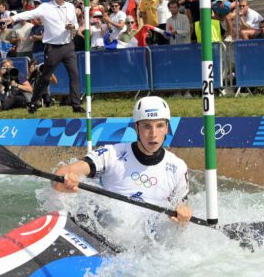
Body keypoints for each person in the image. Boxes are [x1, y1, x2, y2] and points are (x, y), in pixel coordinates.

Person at [53, 96, 191, 225]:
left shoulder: (178, 167)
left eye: (160, 125)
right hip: (105, 232)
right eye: (147, 126)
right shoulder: (111, 154)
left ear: (167, 128)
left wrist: (183, 216)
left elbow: (181, 213)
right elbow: (61, 173)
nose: (153, 134)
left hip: (149, 242)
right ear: (137, 127)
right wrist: (66, 181)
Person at [4, 0, 84, 113]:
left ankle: (75, 105)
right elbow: (30, 14)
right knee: (45, 77)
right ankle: (34, 103)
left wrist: (72, 27)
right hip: (53, 48)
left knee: (74, 75)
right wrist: (14, 18)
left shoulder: (70, 6)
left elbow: (75, 24)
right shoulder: (45, 7)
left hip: (68, 45)